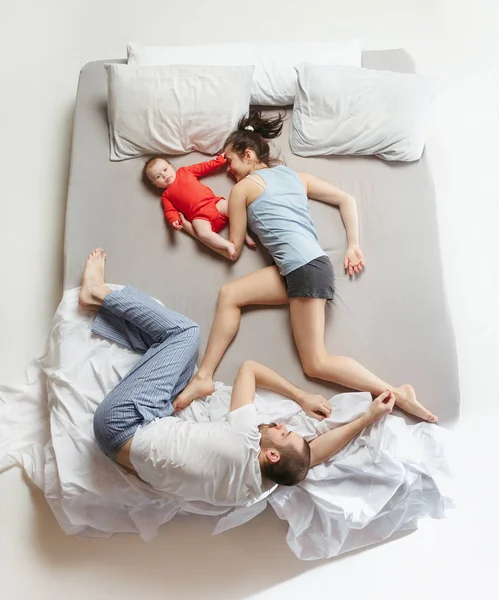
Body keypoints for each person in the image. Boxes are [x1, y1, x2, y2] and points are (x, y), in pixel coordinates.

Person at [174, 111, 438, 424]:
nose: (228, 169)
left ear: (248, 155)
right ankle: (204, 377)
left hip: (303, 270)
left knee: (316, 362)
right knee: (230, 294)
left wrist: (192, 227)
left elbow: (231, 250)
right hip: (301, 266)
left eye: (230, 161)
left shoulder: (242, 190)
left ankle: (396, 392)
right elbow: (346, 198)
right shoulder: (294, 176)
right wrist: (353, 243)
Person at [80, 248, 396, 506]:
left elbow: (249, 369)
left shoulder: (244, 440)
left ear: (271, 454)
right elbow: (309, 458)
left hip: (122, 422)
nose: (284, 426)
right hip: (123, 448)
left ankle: (97, 293)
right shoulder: (252, 491)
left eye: (285, 434)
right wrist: (367, 418)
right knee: (180, 364)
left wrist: (301, 397)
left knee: (186, 334)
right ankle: (110, 319)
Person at [143, 154, 255, 257]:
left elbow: (203, 167)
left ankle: (244, 234)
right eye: (158, 177)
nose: (164, 175)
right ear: (156, 184)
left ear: (171, 166)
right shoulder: (166, 196)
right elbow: (170, 211)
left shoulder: (184, 171)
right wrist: (174, 220)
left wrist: (219, 161)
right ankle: (227, 245)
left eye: (165, 169)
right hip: (200, 217)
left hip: (213, 203)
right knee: (202, 233)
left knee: (233, 208)